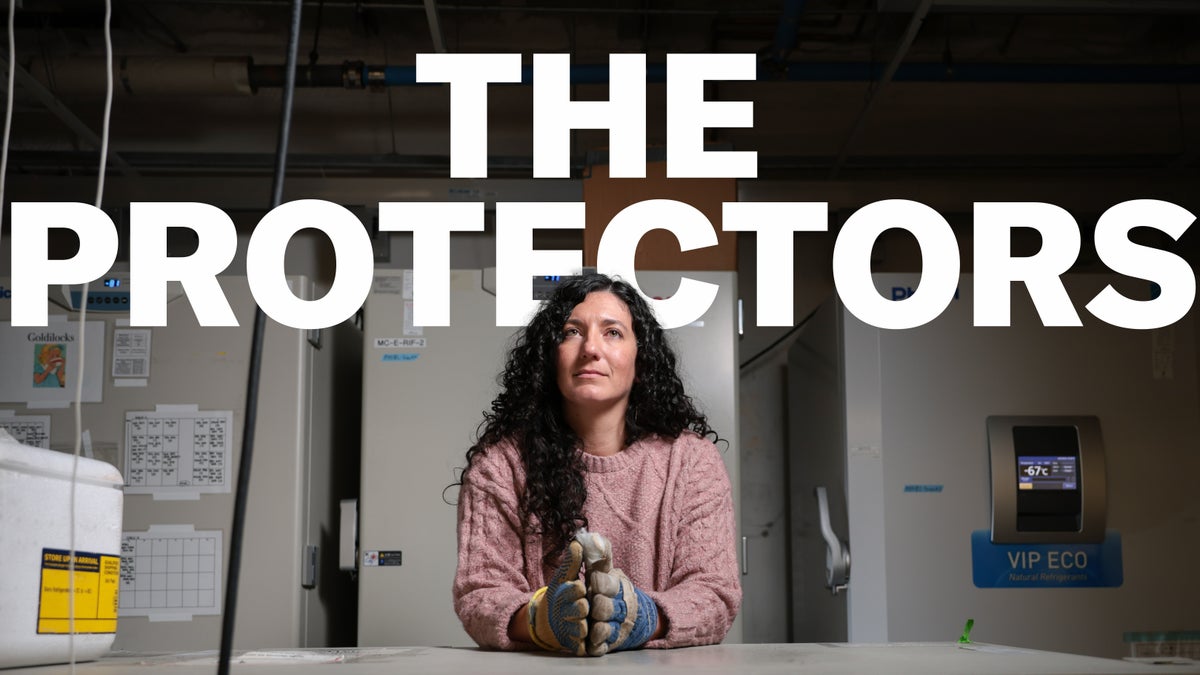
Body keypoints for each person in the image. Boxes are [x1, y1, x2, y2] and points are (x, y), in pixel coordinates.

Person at [452, 273, 740, 656]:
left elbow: (714, 593)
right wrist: (541, 620)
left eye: (613, 333)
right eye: (571, 332)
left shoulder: (691, 461)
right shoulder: (500, 465)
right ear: (549, 356)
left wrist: (643, 616)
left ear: (641, 358)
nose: (590, 348)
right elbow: (481, 594)